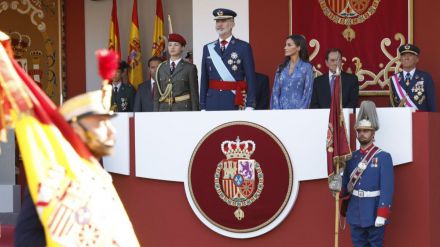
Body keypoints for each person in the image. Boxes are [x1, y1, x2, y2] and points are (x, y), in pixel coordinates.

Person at [14, 89, 130, 246]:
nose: (112, 131)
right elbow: (26, 240)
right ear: (76, 129)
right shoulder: (54, 179)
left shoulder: (98, 175)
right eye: (100, 123)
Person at [339, 101, 394, 247]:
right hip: (355, 210)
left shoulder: (383, 157)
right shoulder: (351, 157)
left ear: (373, 133)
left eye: (366, 131)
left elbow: (387, 188)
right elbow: (345, 185)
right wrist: (336, 185)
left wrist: (382, 213)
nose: (362, 134)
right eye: (359, 131)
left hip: (374, 209)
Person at [200, 8, 257, 110]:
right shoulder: (208, 48)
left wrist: (250, 104)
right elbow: (204, 79)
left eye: (224, 21)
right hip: (212, 101)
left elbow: (251, 78)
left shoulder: (243, 47)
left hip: (234, 100)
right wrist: (202, 105)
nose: (219, 24)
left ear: (232, 24)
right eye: (217, 21)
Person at [153, 33, 199, 111]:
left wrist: (194, 114)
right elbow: (157, 95)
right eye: (170, 45)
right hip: (164, 109)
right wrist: (156, 113)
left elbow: (194, 95)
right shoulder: (161, 67)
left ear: (182, 48)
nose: (172, 47)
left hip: (183, 109)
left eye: (176, 45)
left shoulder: (190, 68)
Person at [270, 34, 314, 109]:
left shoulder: (307, 67)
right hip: (280, 112)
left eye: (289, 45)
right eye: (285, 45)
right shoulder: (281, 68)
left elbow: (308, 93)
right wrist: (277, 112)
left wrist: (300, 112)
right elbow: (275, 92)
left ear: (298, 48)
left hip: (299, 113)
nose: (285, 48)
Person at [389, 44, 436, 112]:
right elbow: (392, 104)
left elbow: (431, 103)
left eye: (410, 55)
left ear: (416, 59)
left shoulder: (426, 77)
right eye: (404, 55)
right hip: (400, 119)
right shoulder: (394, 79)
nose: (406, 58)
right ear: (400, 59)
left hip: (420, 119)